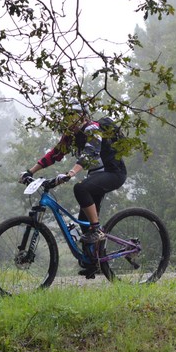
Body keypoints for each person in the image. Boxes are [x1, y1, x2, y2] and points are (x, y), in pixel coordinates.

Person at [19, 99, 126, 255]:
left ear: (83, 116)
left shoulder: (93, 129)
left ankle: (97, 230)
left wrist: (72, 173)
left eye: (73, 116)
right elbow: (55, 154)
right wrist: (30, 172)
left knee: (80, 189)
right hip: (96, 174)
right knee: (84, 219)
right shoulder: (71, 135)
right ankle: (93, 260)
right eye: (67, 118)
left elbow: (90, 153)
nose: (70, 121)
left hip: (113, 173)